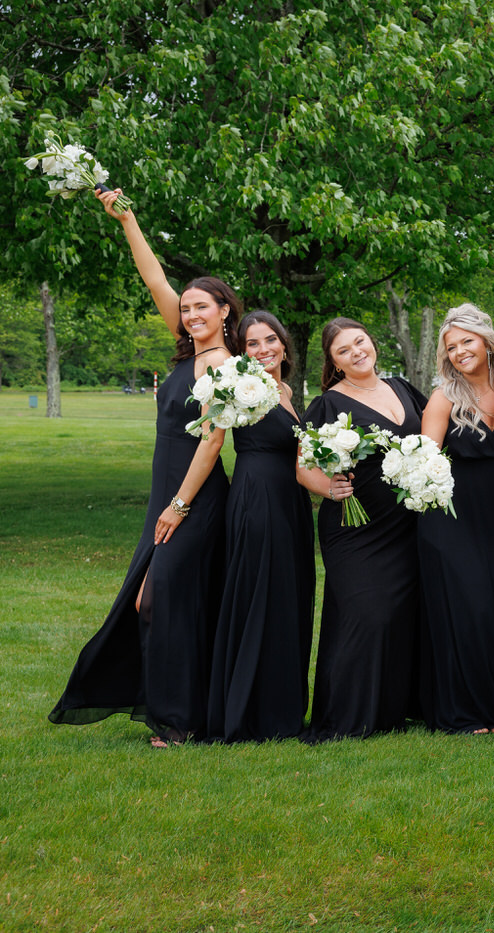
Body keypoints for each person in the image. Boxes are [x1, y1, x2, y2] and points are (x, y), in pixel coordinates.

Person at [49, 189, 236, 746]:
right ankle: (177, 710)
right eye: (188, 307)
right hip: (166, 494)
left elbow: (211, 442)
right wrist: (128, 220)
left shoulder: (228, 367)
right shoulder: (186, 350)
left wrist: (180, 506)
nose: (192, 313)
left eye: (204, 306)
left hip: (195, 496)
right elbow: (155, 279)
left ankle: (180, 721)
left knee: (160, 598)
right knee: (153, 599)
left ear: (226, 311)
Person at [298, 318, 427, 741]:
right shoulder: (327, 404)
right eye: (343, 350)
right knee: (363, 614)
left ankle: (392, 709)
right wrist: (329, 489)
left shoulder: (402, 388)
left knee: (399, 615)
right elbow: (303, 468)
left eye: (359, 342)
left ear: (371, 341)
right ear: (333, 363)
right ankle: (346, 716)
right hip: (355, 526)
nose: (356, 352)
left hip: (404, 522)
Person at [418, 305, 494, 733]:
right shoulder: (444, 398)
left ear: (486, 341)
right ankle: (469, 710)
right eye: (451, 347)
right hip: (453, 519)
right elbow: (422, 464)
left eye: (466, 342)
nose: (459, 352)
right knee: (471, 607)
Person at [206, 311, 315, 742]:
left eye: (271, 340)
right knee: (258, 599)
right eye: (253, 343)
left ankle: (282, 708)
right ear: (241, 350)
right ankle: (248, 713)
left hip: (290, 503)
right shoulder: (235, 385)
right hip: (257, 499)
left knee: (287, 599)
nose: (264, 349)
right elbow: (211, 439)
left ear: (284, 345)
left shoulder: (286, 390)